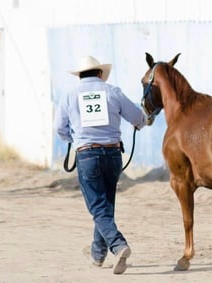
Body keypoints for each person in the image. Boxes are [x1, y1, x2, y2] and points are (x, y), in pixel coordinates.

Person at [54, 55, 151, 274]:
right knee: (105, 204)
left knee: (98, 207)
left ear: (80, 76)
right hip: (113, 153)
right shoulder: (113, 91)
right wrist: (143, 120)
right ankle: (97, 254)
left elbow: (60, 128)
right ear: (100, 73)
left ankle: (118, 246)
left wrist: (75, 138)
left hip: (87, 154)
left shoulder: (70, 95)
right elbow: (138, 118)